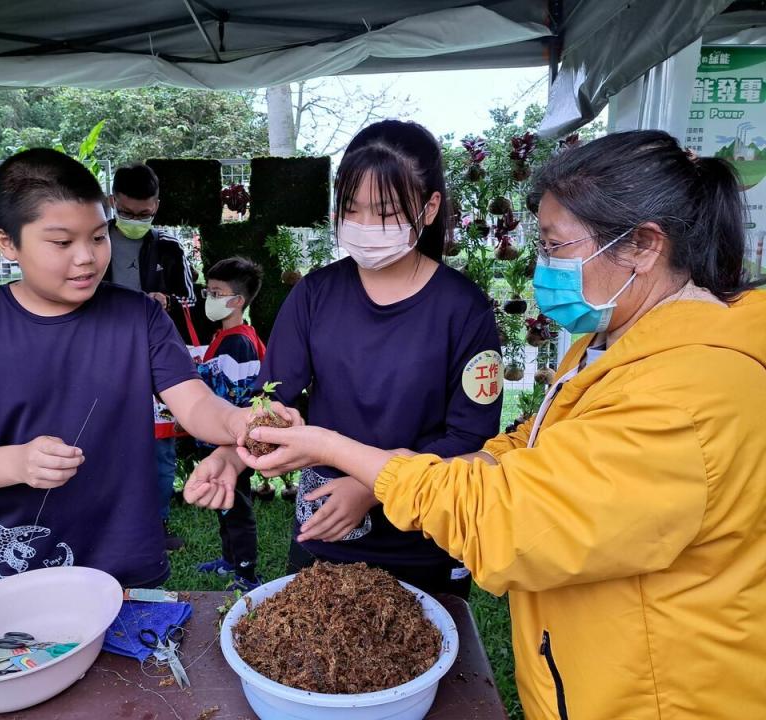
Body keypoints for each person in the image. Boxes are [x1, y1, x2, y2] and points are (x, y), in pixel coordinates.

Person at [211, 131, 766, 720]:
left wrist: (346, 458)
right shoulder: (611, 348)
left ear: (644, 246)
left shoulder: (686, 393)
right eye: (351, 209)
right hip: (605, 671)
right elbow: (529, 448)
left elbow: (512, 518)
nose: (542, 265)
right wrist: (242, 444)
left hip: (661, 694)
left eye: (554, 246)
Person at [0, 148, 298, 594]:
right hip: (9, 569)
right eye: (62, 243)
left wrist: (238, 422)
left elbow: (194, 403)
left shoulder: (141, 318)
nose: (87, 258)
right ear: (7, 242)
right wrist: (17, 461)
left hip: (125, 562)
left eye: (98, 237)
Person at [186, 120, 503, 597]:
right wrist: (232, 454)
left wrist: (373, 487)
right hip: (324, 525)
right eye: (351, 209)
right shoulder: (315, 294)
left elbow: (470, 435)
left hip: (422, 534)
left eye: (385, 211)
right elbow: (273, 399)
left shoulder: (465, 309)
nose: (365, 226)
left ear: (430, 207)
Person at [104, 162, 198, 549]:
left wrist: (168, 301)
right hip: (104, 360)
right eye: (126, 213)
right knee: (105, 442)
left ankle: (156, 524)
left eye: (145, 214)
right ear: (112, 202)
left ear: (157, 205)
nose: (135, 220)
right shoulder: (94, 242)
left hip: (157, 364)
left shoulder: (170, 247)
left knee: (161, 447)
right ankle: (111, 523)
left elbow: (193, 298)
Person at [193, 257, 266, 591]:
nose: (209, 297)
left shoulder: (239, 342)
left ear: (237, 301)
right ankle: (229, 561)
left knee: (237, 508)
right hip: (218, 443)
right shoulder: (224, 337)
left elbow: (240, 398)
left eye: (217, 292)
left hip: (232, 445)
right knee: (225, 505)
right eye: (208, 290)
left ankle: (247, 574)